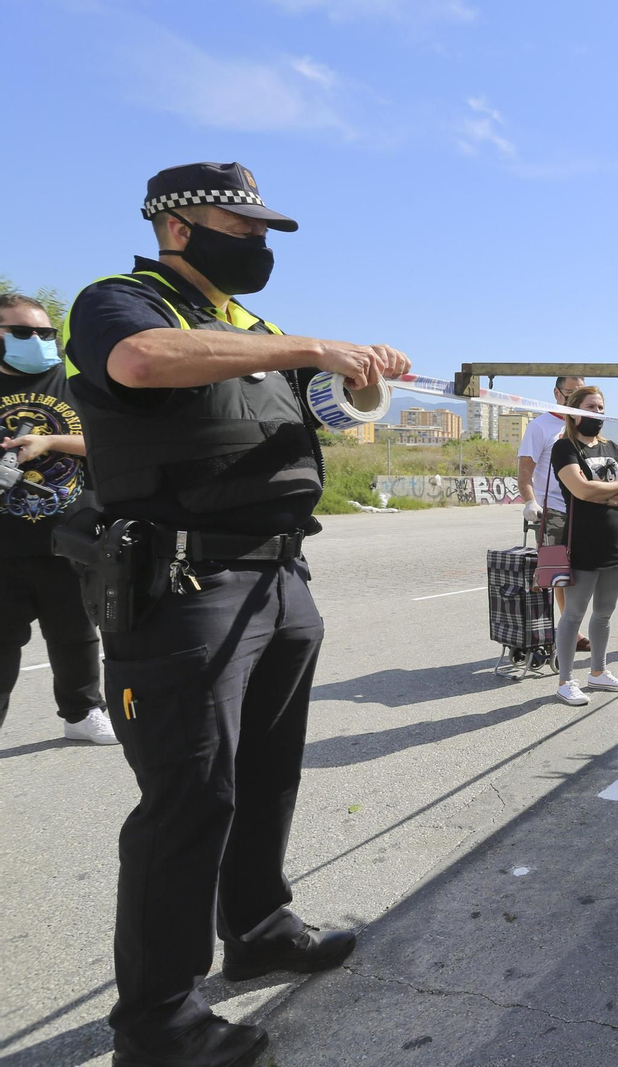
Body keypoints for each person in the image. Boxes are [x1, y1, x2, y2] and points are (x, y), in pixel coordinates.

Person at [63, 162, 410, 1067]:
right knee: (188, 799)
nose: (256, 243)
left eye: (263, 231)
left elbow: (336, 408)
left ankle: (256, 927)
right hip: (183, 585)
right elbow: (139, 364)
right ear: (177, 226)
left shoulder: (249, 327)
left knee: (266, 776)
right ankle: (159, 1021)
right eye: (241, 226)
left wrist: (365, 376)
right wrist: (307, 347)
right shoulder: (121, 301)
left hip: (278, 577)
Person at [0, 293, 113, 744]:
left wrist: (51, 443)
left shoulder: (77, 382)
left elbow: (110, 441)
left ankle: (82, 713)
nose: (38, 341)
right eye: (23, 333)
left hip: (69, 535)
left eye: (46, 333)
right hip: (3, 545)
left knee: (76, 635)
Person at [549, 385, 618, 706]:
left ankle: (598, 673)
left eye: (601, 407)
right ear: (575, 411)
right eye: (591, 407)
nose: (598, 413)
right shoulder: (565, 448)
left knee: (603, 615)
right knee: (573, 615)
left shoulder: (613, 447)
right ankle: (565, 681)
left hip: (615, 543)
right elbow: (582, 490)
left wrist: (607, 491)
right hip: (582, 544)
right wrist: (617, 487)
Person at [517, 374, 589, 652]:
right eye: (569, 392)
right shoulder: (541, 426)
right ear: (557, 393)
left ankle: (569, 627)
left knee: (583, 573)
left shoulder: (585, 426)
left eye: (579, 393)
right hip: (553, 512)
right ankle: (567, 632)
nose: (573, 398)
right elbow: (526, 471)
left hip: (584, 509)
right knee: (556, 574)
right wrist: (530, 501)